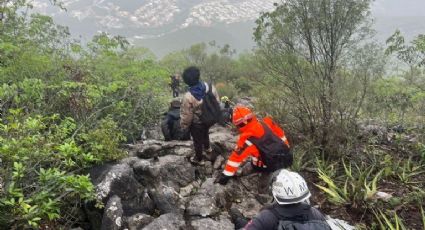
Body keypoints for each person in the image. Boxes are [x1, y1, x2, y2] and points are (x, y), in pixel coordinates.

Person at [214, 106, 292, 193]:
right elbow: (281, 134)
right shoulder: (267, 122)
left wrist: (226, 175)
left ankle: (264, 188)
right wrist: (286, 148)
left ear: (238, 124)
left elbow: (235, 158)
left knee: (254, 168)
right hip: (283, 155)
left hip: (264, 166)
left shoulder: (247, 139)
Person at [230, 169, 331, 230]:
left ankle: (236, 218)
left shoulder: (268, 216)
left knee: (240, 221)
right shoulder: (314, 213)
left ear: (276, 192)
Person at [180, 66, 220, 165]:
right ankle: (208, 149)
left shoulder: (188, 96)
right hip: (210, 119)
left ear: (187, 81)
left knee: (197, 141)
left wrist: (184, 127)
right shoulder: (210, 86)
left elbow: (187, 115)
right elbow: (217, 101)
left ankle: (199, 158)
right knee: (205, 132)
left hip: (198, 123)